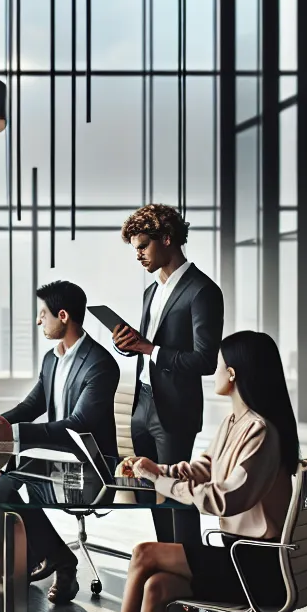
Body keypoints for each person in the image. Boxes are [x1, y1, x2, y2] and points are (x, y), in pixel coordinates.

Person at [91, 330, 299, 612]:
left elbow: (225, 499)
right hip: (238, 557)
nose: (213, 372)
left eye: (219, 365)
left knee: (144, 554)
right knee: (156, 588)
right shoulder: (235, 421)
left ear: (234, 374)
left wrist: (161, 484)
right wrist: (158, 469)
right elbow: (204, 469)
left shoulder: (261, 430)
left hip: (257, 566)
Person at [0, 281, 120, 603]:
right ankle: (34, 559)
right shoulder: (52, 359)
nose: (39, 321)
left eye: (43, 314)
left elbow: (79, 425)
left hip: (88, 467)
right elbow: (31, 406)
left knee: (1, 487)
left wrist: (14, 435)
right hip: (53, 459)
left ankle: (58, 564)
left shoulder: (100, 364)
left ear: (62, 316)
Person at [109, 203, 222, 547]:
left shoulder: (203, 291)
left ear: (168, 239)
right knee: (147, 491)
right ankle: (168, 564)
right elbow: (149, 346)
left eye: (143, 246)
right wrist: (127, 345)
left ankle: (191, 573)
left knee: (176, 495)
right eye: (135, 249)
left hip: (174, 409)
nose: (138, 255)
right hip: (142, 404)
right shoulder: (151, 291)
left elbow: (205, 361)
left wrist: (148, 349)